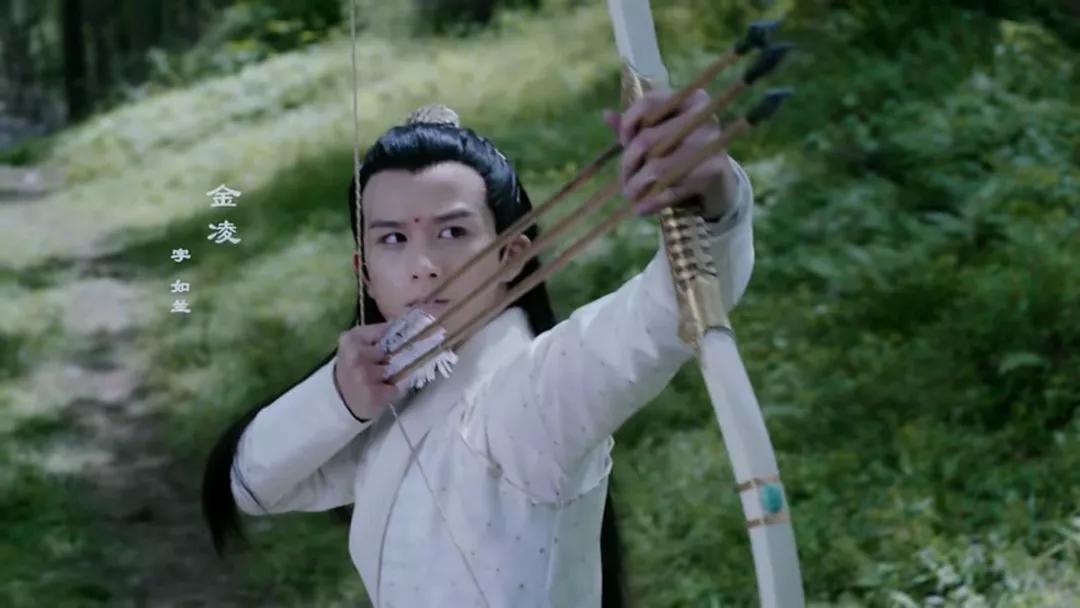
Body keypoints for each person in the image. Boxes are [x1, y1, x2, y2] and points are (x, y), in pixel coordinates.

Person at [202, 89, 756, 607]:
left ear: (511, 256)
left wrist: (713, 202)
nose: (424, 266)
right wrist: (340, 399)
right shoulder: (395, 393)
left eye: (453, 233)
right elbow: (254, 484)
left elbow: (659, 315)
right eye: (393, 239)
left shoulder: (530, 398)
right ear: (364, 272)